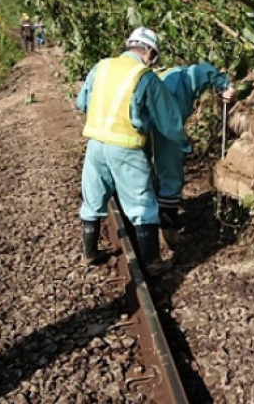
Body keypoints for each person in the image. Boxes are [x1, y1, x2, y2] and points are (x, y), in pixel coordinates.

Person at [76, 27, 189, 272]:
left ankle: (89, 253)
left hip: (95, 145)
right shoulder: (145, 76)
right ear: (149, 52)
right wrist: (183, 144)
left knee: (93, 199)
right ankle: (152, 262)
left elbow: (81, 102)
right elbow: (168, 122)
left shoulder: (102, 66)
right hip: (126, 148)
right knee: (142, 205)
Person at [152, 63, 236, 246]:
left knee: (154, 177)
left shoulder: (168, 74)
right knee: (171, 178)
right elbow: (171, 125)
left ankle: (159, 221)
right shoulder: (185, 79)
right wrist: (184, 142)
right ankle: (168, 231)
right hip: (165, 133)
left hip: (149, 130)